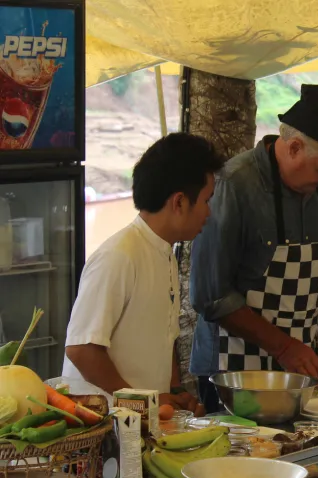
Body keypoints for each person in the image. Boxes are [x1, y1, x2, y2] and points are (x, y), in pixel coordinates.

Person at [189, 84, 318, 413]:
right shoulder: (234, 185)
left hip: (296, 371)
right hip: (231, 372)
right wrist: (284, 347)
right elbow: (212, 296)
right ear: (293, 148)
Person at [63, 133, 223, 414]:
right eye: (207, 201)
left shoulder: (164, 253)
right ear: (179, 202)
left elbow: (166, 337)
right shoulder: (119, 256)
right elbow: (81, 348)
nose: (209, 213)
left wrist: (173, 394)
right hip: (101, 431)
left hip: (146, 424)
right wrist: (140, 401)